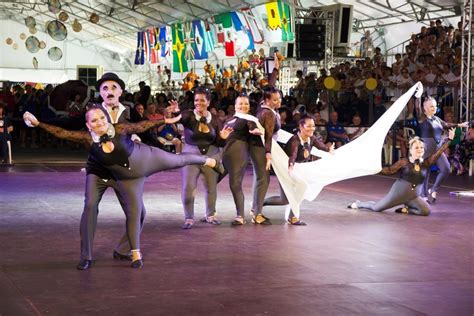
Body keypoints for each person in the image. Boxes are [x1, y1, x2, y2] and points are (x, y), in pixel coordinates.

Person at [23, 107, 223, 269]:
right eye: (94, 121)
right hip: (100, 174)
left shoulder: (118, 128)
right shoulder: (86, 137)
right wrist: (38, 123)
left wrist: (165, 121)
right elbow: (62, 133)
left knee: (173, 166)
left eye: (102, 118)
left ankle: (207, 161)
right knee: (90, 206)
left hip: (138, 165)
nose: (99, 122)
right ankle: (86, 256)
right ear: (88, 125)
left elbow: (141, 125)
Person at [348, 128, 456, 215]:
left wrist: (449, 140)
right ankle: (359, 203)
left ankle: (407, 209)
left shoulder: (425, 163)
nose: (419, 150)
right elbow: (389, 170)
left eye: (421, 148)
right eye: (416, 148)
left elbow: (438, 153)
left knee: (426, 211)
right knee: (377, 208)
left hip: (412, 197)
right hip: (398, 194)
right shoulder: (404, 162)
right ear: (411, 150)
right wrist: (374, 169)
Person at [170, 86, 232, 229]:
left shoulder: (215, 120)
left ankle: (210, 215)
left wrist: (223, 138)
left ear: (208, 102)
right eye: (196, 100)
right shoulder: (188, 115)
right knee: (188, 187)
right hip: (191, 154)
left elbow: (219, 142)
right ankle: (189, 217)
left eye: (202, 100)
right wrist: (176, 111)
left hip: (211, 154)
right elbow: (180, 118)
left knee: (211, 187)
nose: (199, 103)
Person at [263, 115, 334, 225]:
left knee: (286, 199)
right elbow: (293, 154)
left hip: (297, 169)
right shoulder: (295, 140)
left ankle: (260, 204)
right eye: (308, 126)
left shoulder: (312, 138)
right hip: (286, 168)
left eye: (313, 126)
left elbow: (321, 147)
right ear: (301, 127)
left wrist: (329, 149)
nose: (312, 128)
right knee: (299, 189)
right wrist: (291, 166)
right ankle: (291, 216)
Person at [416, 96, 468, 203]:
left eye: (435, 106)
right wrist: (418, 96)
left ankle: (433, 189)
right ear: (425, 108)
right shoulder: (422, 118)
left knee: (446, 169)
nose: (434, 108)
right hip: (426, 149)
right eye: (431, 106)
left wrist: (460, 125)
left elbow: (446, 124)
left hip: (438, 148)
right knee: (426, 173)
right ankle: (423, 196)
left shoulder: (436, 119)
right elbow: (417, 106)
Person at [221, 95, 262, 225]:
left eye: (246, 104)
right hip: (225, 154)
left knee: (235, 184)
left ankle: (240, 216)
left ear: (249, 106)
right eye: (240, 103)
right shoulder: (229, 120)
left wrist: (254, 130)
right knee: (211, 180)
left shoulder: (248, 119)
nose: (243, 106)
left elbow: (251, 125)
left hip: (238, 155)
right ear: (235, 105)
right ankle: (210, 213)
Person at [248, 86, 282, 225]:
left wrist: (274, 69)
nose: (278, 101)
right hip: (261, 148)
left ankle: (255, 209)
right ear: (267, 100)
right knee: (263, 179)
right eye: (275, 100)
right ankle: (257, 214)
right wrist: (268, 153)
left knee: (259, 179)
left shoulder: (263, 107)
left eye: (279, 98)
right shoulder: (268, 113)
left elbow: (270, 85)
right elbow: (268, 136)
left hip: (257, 147)